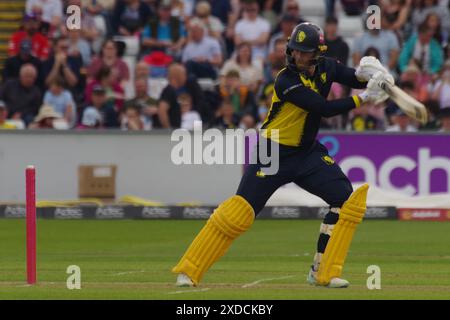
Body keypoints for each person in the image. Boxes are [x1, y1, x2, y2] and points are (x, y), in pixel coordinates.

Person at [172, 23, 394, 288]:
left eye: (305, 52)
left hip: (306, 152)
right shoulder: (286, 79)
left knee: (345, 200)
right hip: (272, 151)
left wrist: (374, 73)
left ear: (318, 52)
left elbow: (354, 77)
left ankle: (323, 272)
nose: (299, 57)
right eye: (296, 51)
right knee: (239, 212)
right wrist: (364, 98)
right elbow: (322, 107)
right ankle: (189, 270)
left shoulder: (328, 67)